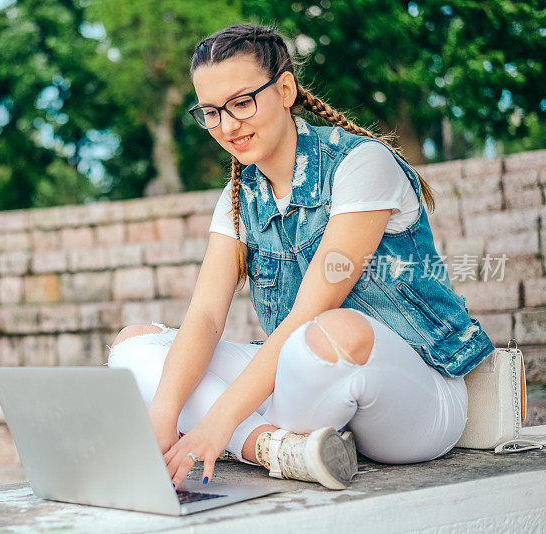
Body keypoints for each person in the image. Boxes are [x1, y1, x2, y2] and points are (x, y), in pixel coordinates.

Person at [106, 23, 495, 491]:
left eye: (241, 102)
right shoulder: (237, 198)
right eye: (210, 112)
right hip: (306, 389)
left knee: (331, 332)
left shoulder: (361, 165)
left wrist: (215, 422)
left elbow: (312, 312)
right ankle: (277, 447)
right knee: (134, 347)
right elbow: (207, 317)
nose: (227, 126)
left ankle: (248, 438)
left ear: (285, 89)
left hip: (415, 400)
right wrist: (162, 418)